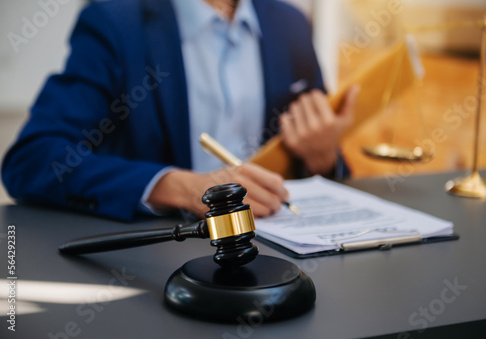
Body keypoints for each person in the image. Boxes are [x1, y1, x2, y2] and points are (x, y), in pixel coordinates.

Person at [1, 0, 358, 221]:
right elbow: (32, 159)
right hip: (166, 253)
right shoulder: (115, 21)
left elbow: (324, 163)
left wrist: (323, 158)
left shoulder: (290, 23)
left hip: (277, 246)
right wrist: (178, 186)